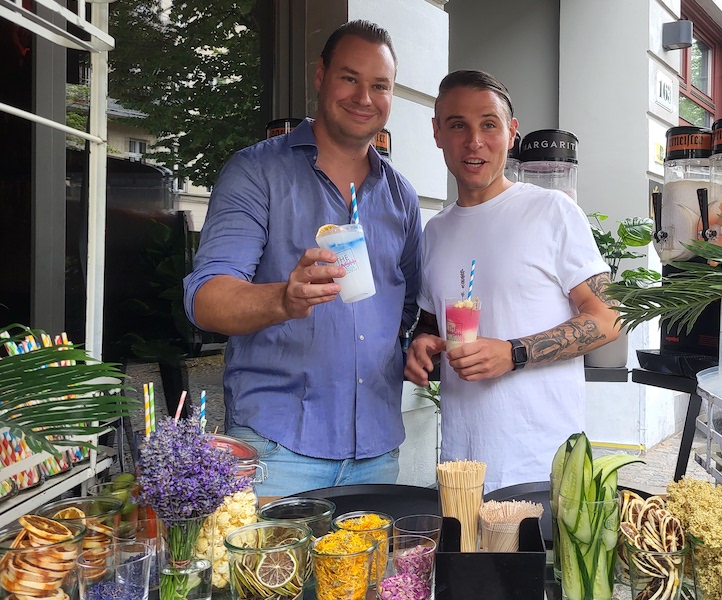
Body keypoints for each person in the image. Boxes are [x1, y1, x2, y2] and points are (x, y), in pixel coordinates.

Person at [183, 21, 422, 497]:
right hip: (277, 451)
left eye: (380, 86)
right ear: (320, 76)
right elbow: (206, 299)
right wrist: (283, 300)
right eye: (349, 78)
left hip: (377, 454)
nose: (364, 97)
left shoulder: (401, 196)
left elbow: (408, 309)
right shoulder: (257, 172)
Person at [404, 70, 620, 492]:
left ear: (511, 132)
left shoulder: (552, 211)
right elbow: (432, 326)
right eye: (457, 125)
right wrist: (423, 345)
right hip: (462, 468)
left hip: (541, 467)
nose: (474, 141)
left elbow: (609, 317)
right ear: (437, 133)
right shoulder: (435, 232)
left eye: (489, 124)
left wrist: (513, 353)